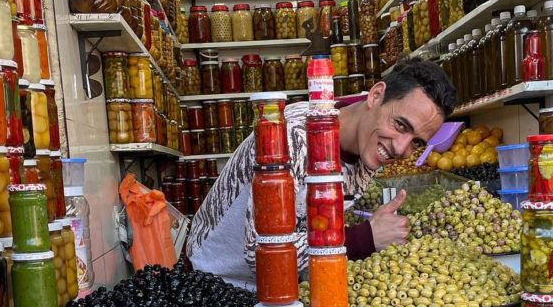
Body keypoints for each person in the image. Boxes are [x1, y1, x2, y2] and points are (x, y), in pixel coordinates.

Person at [187, 58, 457, 287]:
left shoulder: (368, 147)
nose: (401, 148)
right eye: (400, 125)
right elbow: (262, 252)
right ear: (376, 96)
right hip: (215, 283)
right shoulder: (292, 137)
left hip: (281, 288)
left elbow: (311, 225)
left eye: (416, 142)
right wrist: (364, 237)